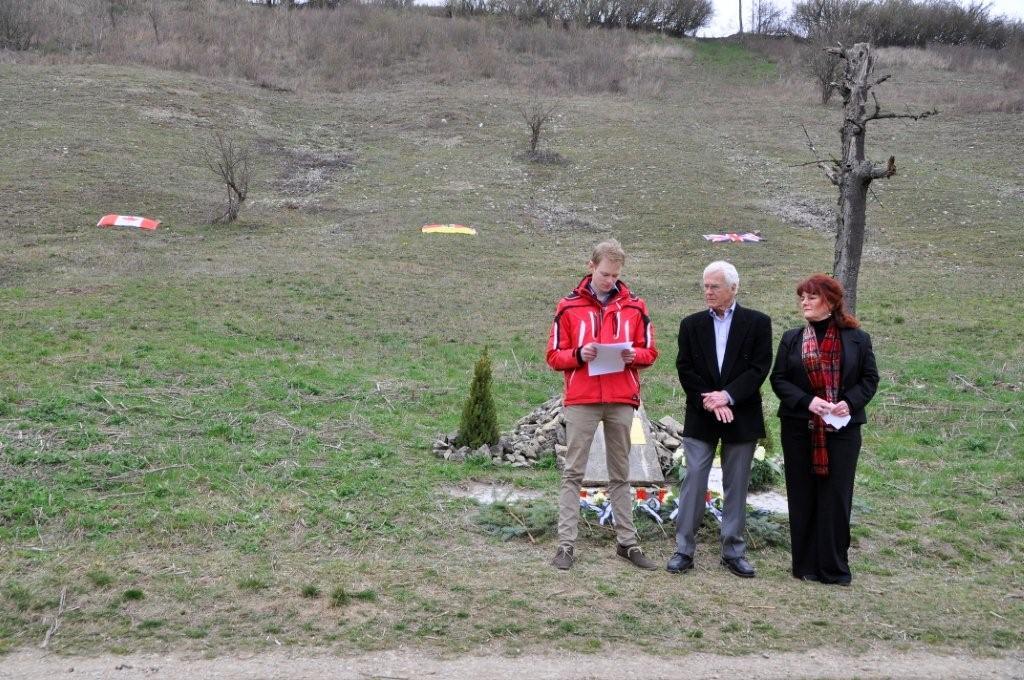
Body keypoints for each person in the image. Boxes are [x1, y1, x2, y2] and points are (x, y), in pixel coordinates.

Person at [546, 239, 659, 571]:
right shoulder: (567, 307)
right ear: (591, 266)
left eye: (615, 275)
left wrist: (633, 355)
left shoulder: (636, 307)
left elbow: (651, 351)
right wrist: (579, 355)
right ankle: (566, 545)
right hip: (582, 398)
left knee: (621, 473)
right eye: (605, 273)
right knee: (573, 472)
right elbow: (553, 355)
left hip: (621, 398)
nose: (610, 280)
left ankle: (627, 543)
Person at [770, 274, 878, 586]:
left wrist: (849, 402)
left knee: (835, 497)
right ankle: (804, 566)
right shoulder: (792, 338)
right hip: (799, 428)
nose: (804, 302)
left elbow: (870, 379)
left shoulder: (858, 339)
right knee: (802, 495)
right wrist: (807, 402)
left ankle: (833, 568)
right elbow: (779, 380)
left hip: (842, 431)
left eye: (811, 297)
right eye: (802, 297)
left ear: (830, 301)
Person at [668, 261, 772, 578]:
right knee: (694, 479)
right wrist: (711, 401)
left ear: (733, 288)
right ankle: (683, 549)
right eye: (705, 285)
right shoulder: (691, 325)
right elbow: (686, 369)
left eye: (714, 286)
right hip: (702, 414)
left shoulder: (757, 323)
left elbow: (759, 367)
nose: (708, 291)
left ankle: (733, 550)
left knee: (737, 484)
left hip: (740, 412)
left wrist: (727, 396)